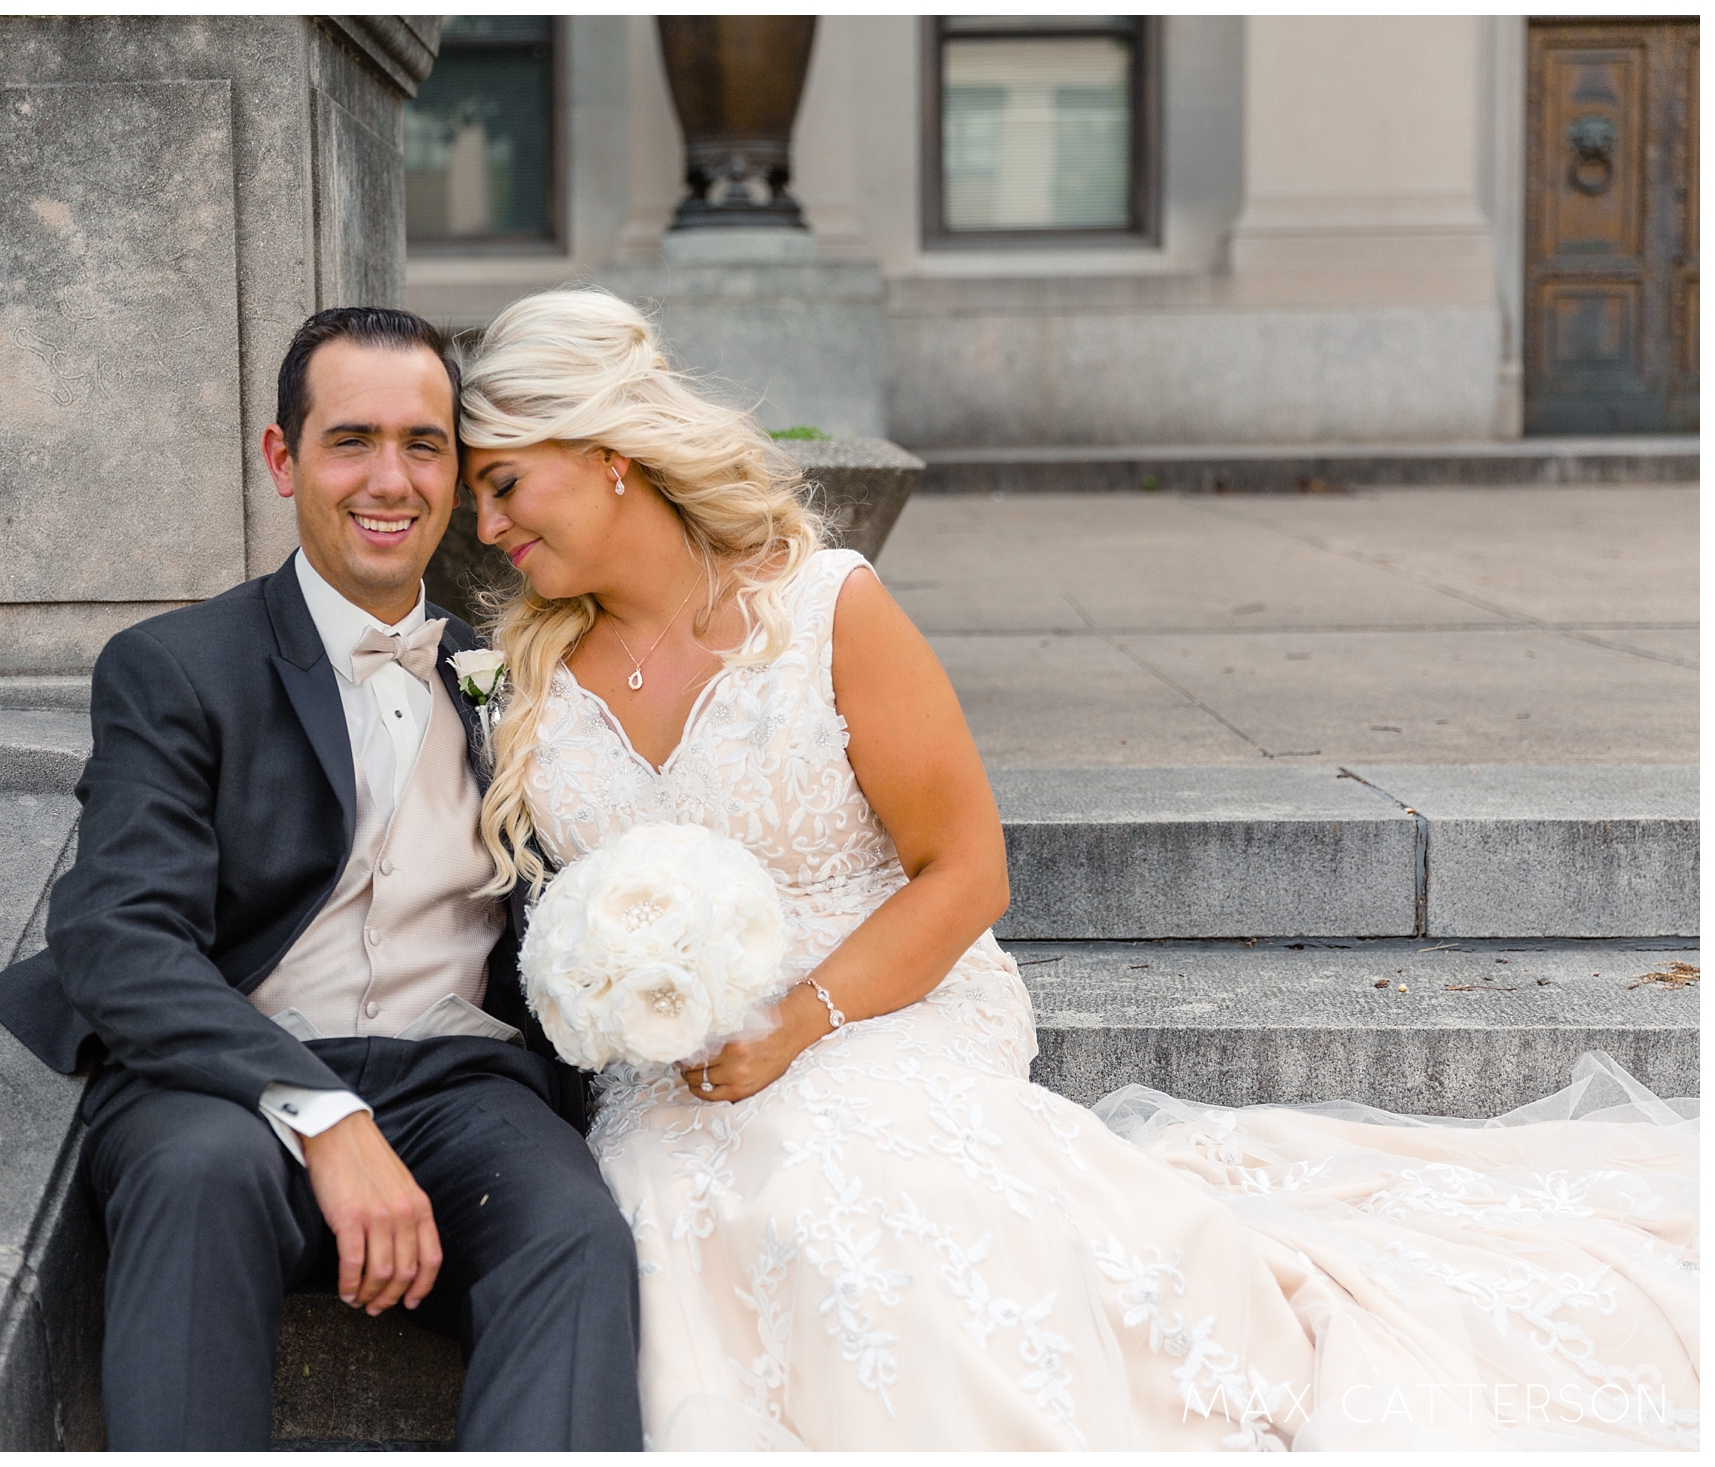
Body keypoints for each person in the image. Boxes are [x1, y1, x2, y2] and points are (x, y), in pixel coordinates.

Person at [454, 286, 1699, 1451]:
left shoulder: (821, 607)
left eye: (506, 485)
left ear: (608, 450)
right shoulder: (522, 676)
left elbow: (965, 871)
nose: (489, 527)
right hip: (671, 1082)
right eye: (478, 500)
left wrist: (795, 1021)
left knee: (847, 1193)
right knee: (679, 1220)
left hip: (876, 1011)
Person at [0, 306, 643, 1451]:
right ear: (283, 458)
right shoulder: (177, 667)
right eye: (351, 441)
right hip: (227, 1080)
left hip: (462, 1084)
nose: (390, 479)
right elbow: (119, 936)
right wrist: (325, 1115)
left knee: (575, 1228)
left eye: (422, 445)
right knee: (197, 1179)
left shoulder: (519, 660)